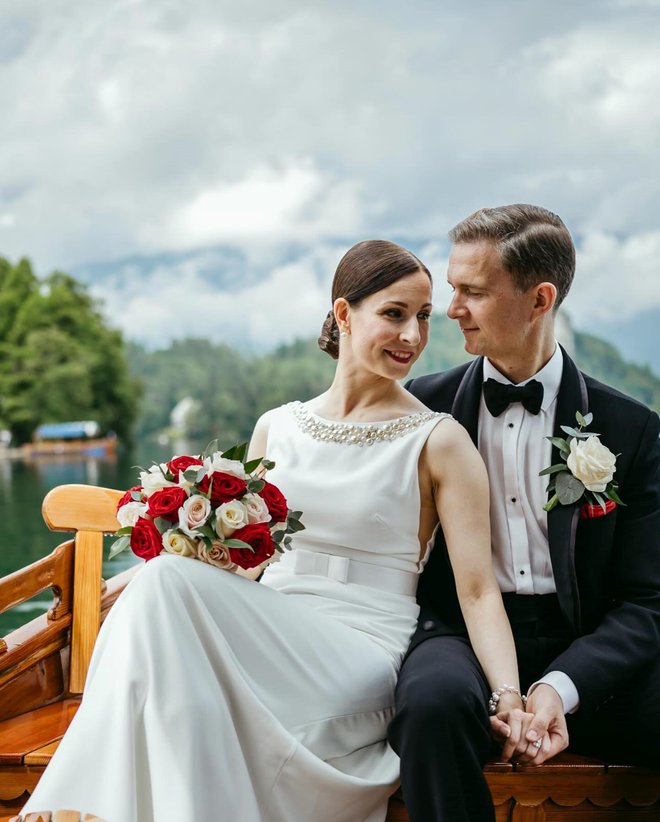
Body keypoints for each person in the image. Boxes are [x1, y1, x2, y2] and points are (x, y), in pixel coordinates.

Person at [22, 240, 524, 822]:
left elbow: (478, 590)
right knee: (169, 611)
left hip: (361, 649)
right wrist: (197, 539)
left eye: (423, 317)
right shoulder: (278, 427)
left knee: (159, 583)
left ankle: (75, 808)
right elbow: (249, 570)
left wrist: (507, 696)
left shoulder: (439, 440)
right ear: (343, 313)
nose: (412, 335)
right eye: (394, 313)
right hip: (274, 630)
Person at [388, 204, 660, 822]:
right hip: (457, 632)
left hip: (589, 646)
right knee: (429, 707)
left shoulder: (633, 431)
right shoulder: (417, 414)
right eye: (452, 289)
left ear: (539, 300)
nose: (451, 309)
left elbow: (646, 602)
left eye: (473, 293)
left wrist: (559, 689)